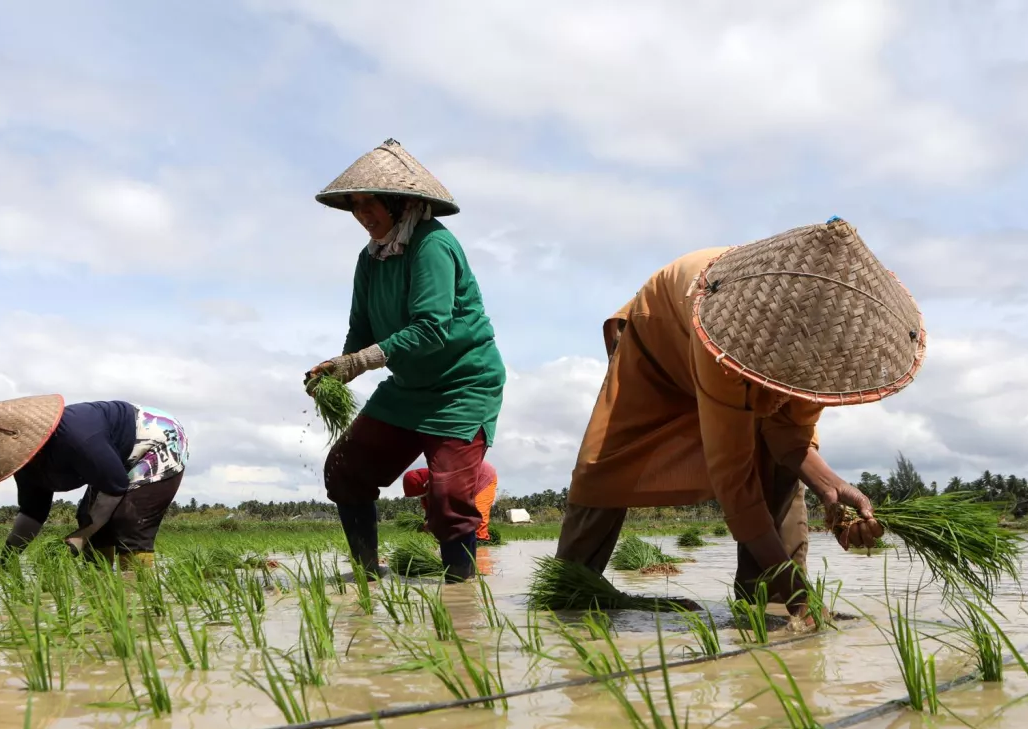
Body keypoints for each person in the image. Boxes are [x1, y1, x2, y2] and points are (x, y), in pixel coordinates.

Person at [554, 218, 924, 614]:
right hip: (660, 343)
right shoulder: (725, 333)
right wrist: (803, 598)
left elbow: (791, 438)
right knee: (606, 464)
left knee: (779, 470)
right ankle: (573, 590)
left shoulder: (822, 354)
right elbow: (733, 479)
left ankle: (767, 599)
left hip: (731, 344)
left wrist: (832, 487)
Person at [307, 138, 505, 583]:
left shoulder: (431, 244)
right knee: (345, 469)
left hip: (462, 387)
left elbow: (432, 328)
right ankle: (366, 574)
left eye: (370, 204)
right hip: (408, 389)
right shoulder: (371, 259)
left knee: (448, 497)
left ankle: (460, 590)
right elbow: (361, 331)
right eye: (355, 206)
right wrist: (337, 370)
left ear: (399, 202)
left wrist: (360, 363)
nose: (362, 215)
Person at [0, 395, 189, 569]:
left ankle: (137, 597)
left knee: (129, 519)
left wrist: (82, 536)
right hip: (114, 459)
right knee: (88, 519)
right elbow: (32, 514)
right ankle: (100, 595)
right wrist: (6, 561)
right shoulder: (25, 463)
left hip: (158, 439)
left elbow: (114, 487)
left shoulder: (77, 437)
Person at [402, 460, 499, 542]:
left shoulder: (443, 480)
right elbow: (429, 509)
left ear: (426, 484)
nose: (422, 497)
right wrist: (428, 522)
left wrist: (435, 523)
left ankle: (481, 544)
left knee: (478, 516)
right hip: (465, 481)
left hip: (484, 475)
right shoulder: (428, 491)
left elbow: (452, 509)